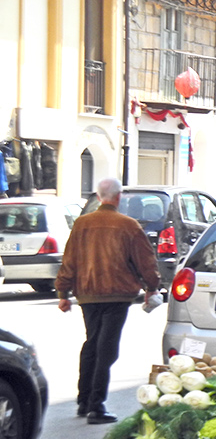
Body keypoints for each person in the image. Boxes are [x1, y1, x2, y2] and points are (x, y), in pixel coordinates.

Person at [56, 178, 160, 424]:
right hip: (117, 294)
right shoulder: (129, 225)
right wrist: (151, 287)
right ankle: (96, 406)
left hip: (88, 294)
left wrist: (63, 293)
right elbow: (146, 262)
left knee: (92, 342)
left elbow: (69, 260)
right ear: (118, 197)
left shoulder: (81, 224)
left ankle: (83, 402)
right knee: (107, 348)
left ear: (99, 196)